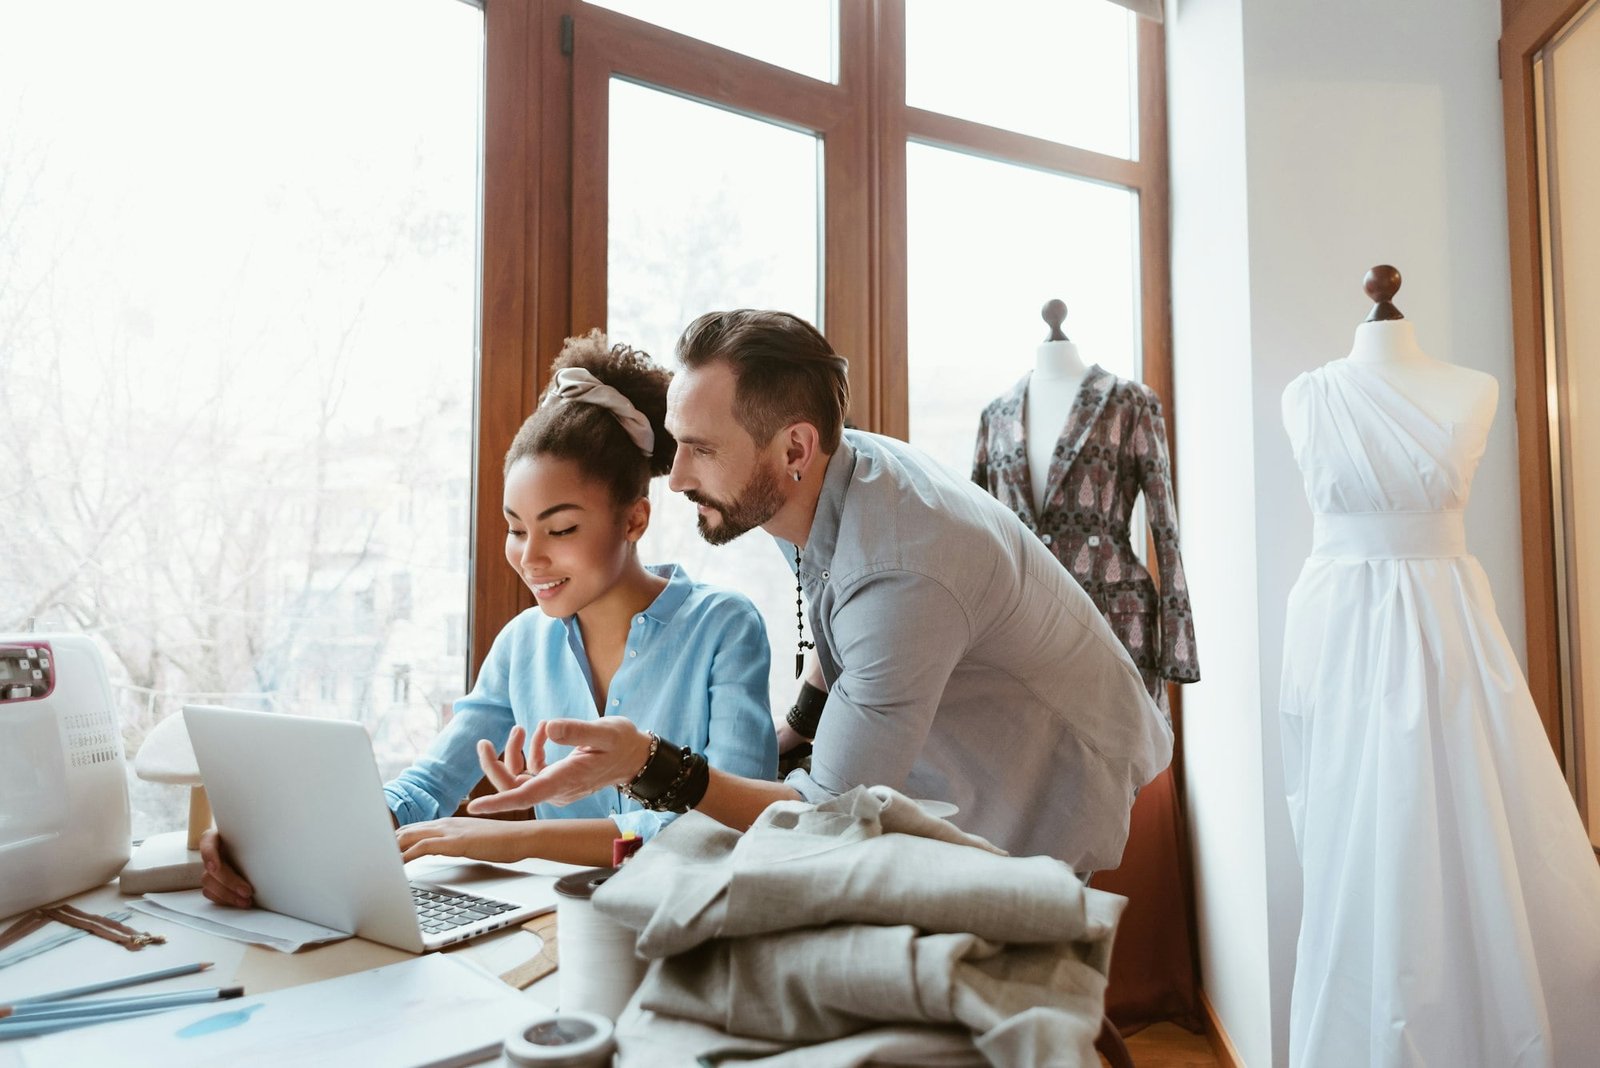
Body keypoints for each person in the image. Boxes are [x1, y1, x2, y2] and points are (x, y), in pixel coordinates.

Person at [469, 310, 1172, 873]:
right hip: (964, 710)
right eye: (676, 443)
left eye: (702, 450)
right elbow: (836, 619)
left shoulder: (900, 572)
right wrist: (797, 726)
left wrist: (648, 764)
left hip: (1058, 758)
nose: (676, 477)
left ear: (795, 448)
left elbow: (825, 814)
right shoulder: (803, 484)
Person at [199, 332, 778, 906]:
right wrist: (278, 841)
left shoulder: (723, 627)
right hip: (558, 927)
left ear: (634, 521)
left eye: (562, 529)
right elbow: (426, 788)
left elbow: (724, 833)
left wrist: (518, 841)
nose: (530, 558)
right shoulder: (523, 645)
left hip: (691, 932)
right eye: (517, 529)